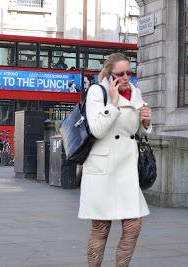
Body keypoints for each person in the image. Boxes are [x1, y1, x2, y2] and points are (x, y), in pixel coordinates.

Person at [78, 53, 152, 267]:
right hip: (103, 169)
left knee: (133, 227)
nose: (126, 77)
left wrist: (145, 122)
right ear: (109, 74)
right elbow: (98, 130)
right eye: (120, 74)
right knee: (100, 228)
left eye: (129, 72)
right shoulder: (97, 92)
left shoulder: (135, 92)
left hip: (127, 170)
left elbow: (135, 131)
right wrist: (114, 103)